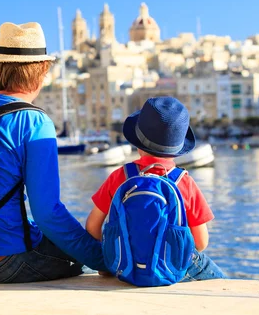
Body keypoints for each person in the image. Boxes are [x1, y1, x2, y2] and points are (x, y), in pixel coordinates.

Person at [0, 22, 106, 283]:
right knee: (80, 256)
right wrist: (102, 259)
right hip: (2, 263)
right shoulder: (33, 121)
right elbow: (47, 213)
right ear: (42, 71)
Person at [85, 97, 226, 281]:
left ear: (137, 142)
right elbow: (201, 242)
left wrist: (111, 259)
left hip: (123, 265)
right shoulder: (184, 182)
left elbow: (92, 226)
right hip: (170, 267)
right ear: (178, 148)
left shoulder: (120, 177)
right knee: (221, 280)